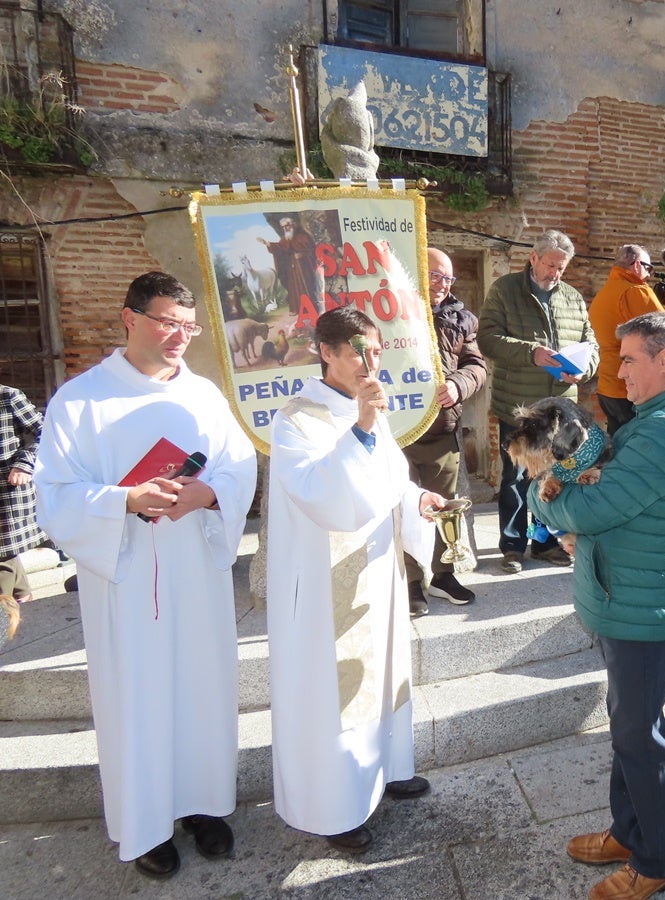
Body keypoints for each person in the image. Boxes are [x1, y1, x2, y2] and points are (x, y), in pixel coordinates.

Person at [33, 272, 257, 879]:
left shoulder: (206, 396)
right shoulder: (80, 401)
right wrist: (124, 501)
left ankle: (205, 807)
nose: (180, 336)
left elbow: (240, 468)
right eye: (167, 322)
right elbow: (52, 496)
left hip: (194, 571)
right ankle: (146, 825)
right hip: (126, 578)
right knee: (138, 699)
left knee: (203, 688)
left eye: (188, 326)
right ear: (129, 318)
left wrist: (210, 493)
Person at [528, 312, 665, 900]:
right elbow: (615, 500)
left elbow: (588, 510)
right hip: (632, 591)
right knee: (628, 725)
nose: (618, 372)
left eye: (630, 359)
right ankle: (628, 830)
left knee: (641, 736)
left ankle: (657, 859)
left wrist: (546, 498)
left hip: (639, 603)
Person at [266, 305, 442, 853]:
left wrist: (419, 499)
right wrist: (363, 426)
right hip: (326, 585)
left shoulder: (370, 409)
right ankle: (334, 807)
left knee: (384, 671)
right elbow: (322, 494)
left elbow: (389, 476)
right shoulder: (296, 419)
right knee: (336, 688)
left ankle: (386, 768)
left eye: (376, 349)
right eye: (358, 352)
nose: (371, 361)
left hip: (378, 569)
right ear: (327, 353)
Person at [478, 229, 599, 574]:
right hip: (519, 407)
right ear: (533, 258)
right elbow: (487, 339)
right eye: (550, 265)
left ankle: (546, 543)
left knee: (555, 474)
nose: (555, 273)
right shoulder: (504, 290)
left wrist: (584, 369)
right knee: (515, 476)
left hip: (560, 409)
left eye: (561, 268)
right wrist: (532, 353)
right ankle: (513, 545)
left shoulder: (573, 298)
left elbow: (592, 345)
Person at [402, 247, 488, 615]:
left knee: (444, 505)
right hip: (399, 429)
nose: (442, 284)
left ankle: (443, 574)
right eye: (435, 275)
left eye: (448, 278)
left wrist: (458, 385)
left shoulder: (463, 318)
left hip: (442, 425)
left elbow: (477, 365)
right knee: (403, 507)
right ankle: (409, 581)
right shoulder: (392, 307)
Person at [589, 244, 665, 435]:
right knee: (640, 451)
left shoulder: (604, 293)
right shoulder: (635, 291)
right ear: (636, 266)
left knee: (619, 450)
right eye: (648, 268)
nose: (649, 275)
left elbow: (642, 327)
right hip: (631, 388)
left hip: (607, 388)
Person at [0, 380, 46, 603]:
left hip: (7, 491)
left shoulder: (8, 397)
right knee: (4, 554)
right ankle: (23, 599)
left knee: (2, 555)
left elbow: (47, 432)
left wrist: (25, 464)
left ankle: (7, 619)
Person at [258, 215, 324, 316]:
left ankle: (311, 309)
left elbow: (312, 250)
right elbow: (280, 248)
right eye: (283, 227)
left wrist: (303, 254)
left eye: (287, 226)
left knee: (307, 287)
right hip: (292, 269)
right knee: (294, 288)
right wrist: (268, 244)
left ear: (292, 225)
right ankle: (297, 309)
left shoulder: (303, 236)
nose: (285, 229)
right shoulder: (285, 239)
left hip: (304, 268)